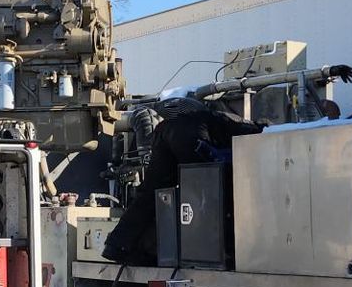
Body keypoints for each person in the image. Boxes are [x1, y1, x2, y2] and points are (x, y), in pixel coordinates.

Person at [102, 102, 262, 265]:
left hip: (164, 130)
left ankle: (117, 245)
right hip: (192, 134)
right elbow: (251, 131)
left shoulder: (207, 115)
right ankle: (216, 251)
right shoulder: (232, 122)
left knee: (150, 192)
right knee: (208, 194)